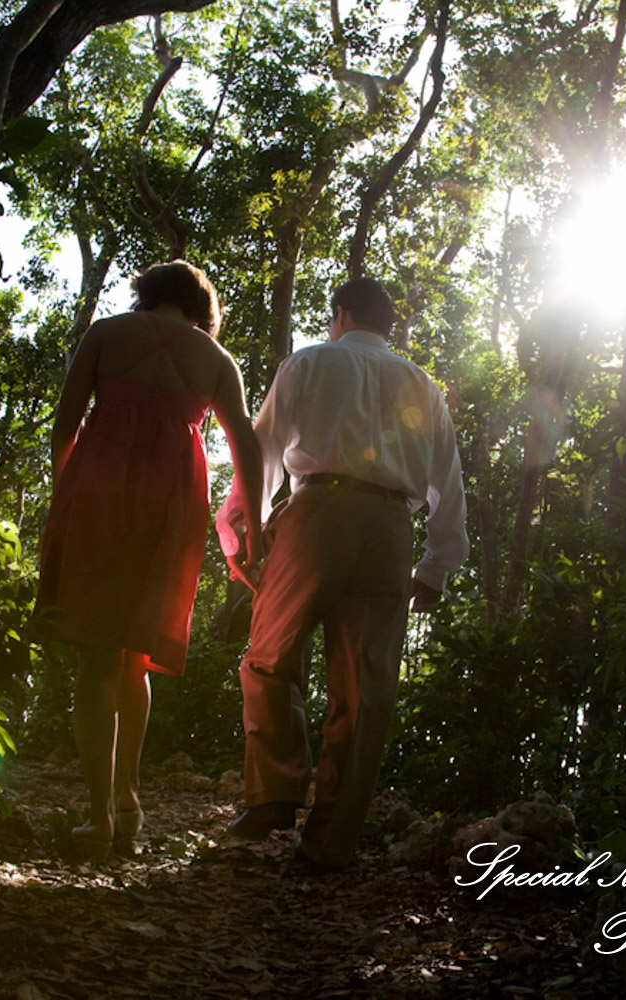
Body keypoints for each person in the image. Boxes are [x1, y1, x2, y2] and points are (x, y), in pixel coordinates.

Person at [215, 276, 468, 870]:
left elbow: (264, 451)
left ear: (341, 313)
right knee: (366, 688)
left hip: (318, 514)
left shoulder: (310, 362)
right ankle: (327, 844)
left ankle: (276, 792)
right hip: (389, 530)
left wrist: (238, 531)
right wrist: (436, 565)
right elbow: (447, 481)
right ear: (387, 325)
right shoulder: (421, 384)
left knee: (269, 655)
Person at [36, 260, 262, 856]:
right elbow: (248, 449)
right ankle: (129, 797)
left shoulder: (106, 335)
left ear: (148, 295)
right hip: (171, 510)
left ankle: (98, 816)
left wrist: (67, 499)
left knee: (95, 657)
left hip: (98, 501)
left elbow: (64, 428)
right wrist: (254, 529)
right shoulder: (215, 361)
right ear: (200, 308)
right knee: (134, 655)